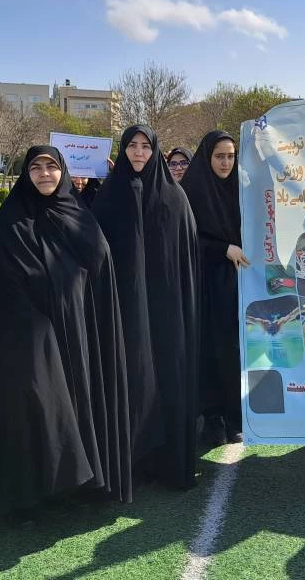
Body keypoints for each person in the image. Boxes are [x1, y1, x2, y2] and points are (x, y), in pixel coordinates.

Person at [0, 146, 131, 523]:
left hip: (81, 331)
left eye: (51, 166)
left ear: (62, 172)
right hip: (32, 338)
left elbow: (101, 264)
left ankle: (84, 486)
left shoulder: (79, 215)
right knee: (43, 412)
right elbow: (3, 286)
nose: (44, 173)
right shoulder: (10, 223)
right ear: (27, 174)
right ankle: (38, 495)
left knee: (82, 403)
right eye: (36, 167)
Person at [93, 126, 200, 489]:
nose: (138, 153)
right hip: (125, 309)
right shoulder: (109, 196)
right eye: (132, 146)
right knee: (131, 379)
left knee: (168, 378)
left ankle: (168, 462)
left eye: (145, 147)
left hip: (167, 309)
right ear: (123, 150)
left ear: (155, 152)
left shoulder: (174, 198)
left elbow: (184, 258)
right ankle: (131, 465)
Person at [182, 131, 247, 445]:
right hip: (206, 282)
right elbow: (186, 236)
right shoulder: (191, 191)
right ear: (207, 157)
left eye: (231, 156)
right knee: (211, 348)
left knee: (234, 349)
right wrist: (222, 248)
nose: (226, 163)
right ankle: (212, 417)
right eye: (219, 156)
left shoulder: (241, 188)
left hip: (238, 281)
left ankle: (236, 416)